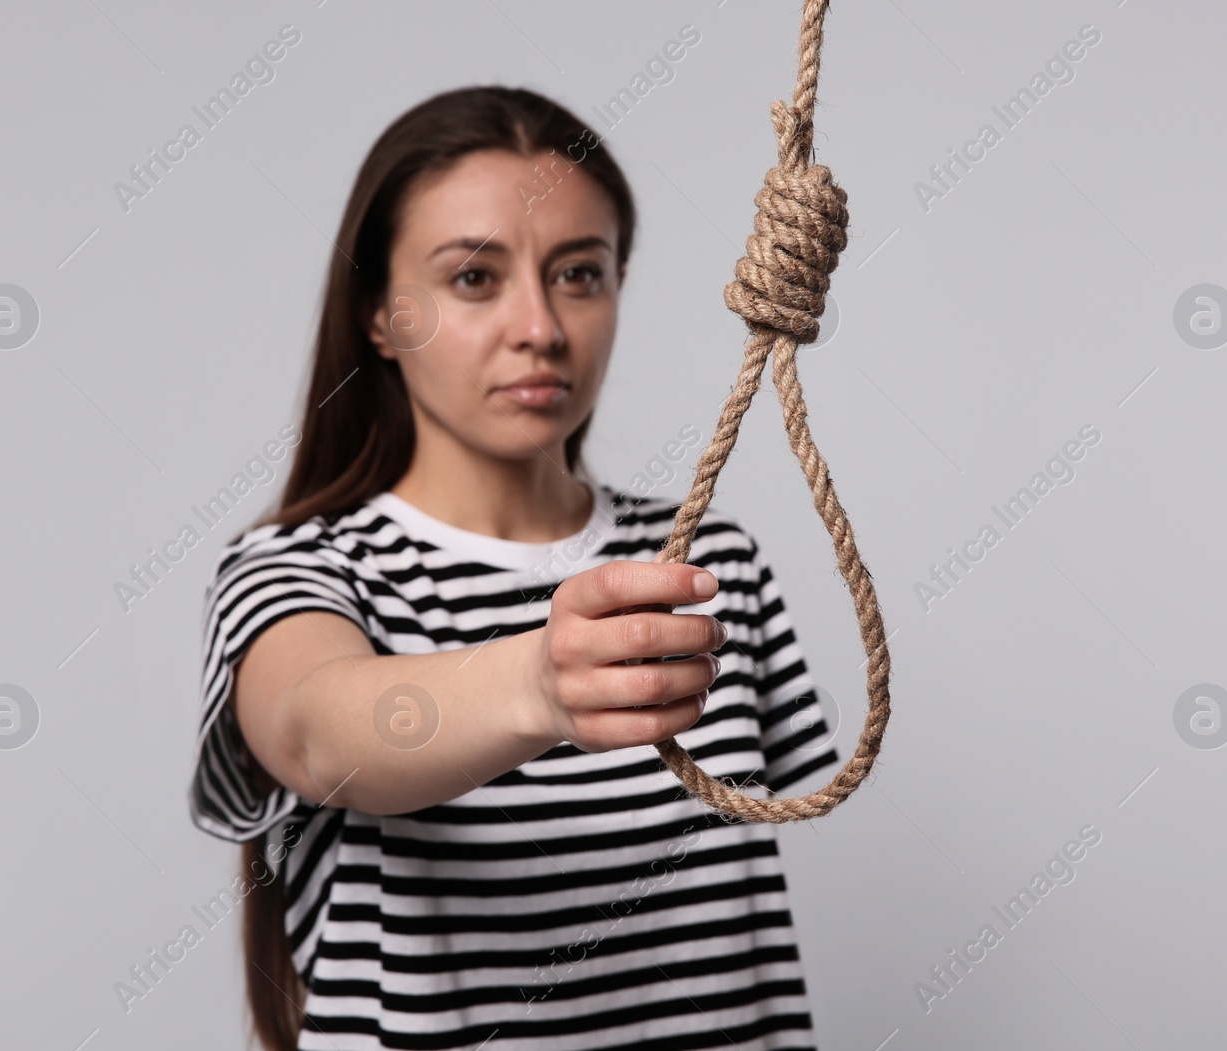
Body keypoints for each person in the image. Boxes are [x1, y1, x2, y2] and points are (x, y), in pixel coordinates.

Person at [189, 84, 841, 1051]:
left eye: (579, 273)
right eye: (474, 278)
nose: (540, 325)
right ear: (379, 315)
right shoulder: (300, 568)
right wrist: (540, 681)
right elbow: (323, 734)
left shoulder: (711, 566)